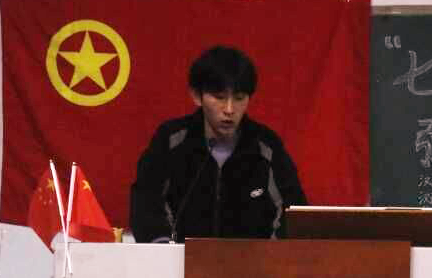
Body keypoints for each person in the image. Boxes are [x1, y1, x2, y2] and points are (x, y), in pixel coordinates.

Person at [130, 46, 307, 243]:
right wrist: (164, 250)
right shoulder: (171, 140)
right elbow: (147, 202)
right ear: (197, 96)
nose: (229, 109)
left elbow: (292, 212)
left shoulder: (266, 146)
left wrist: (268, 257)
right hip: (180, 259)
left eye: (239, 98)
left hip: (252, 261)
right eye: (219, 98)